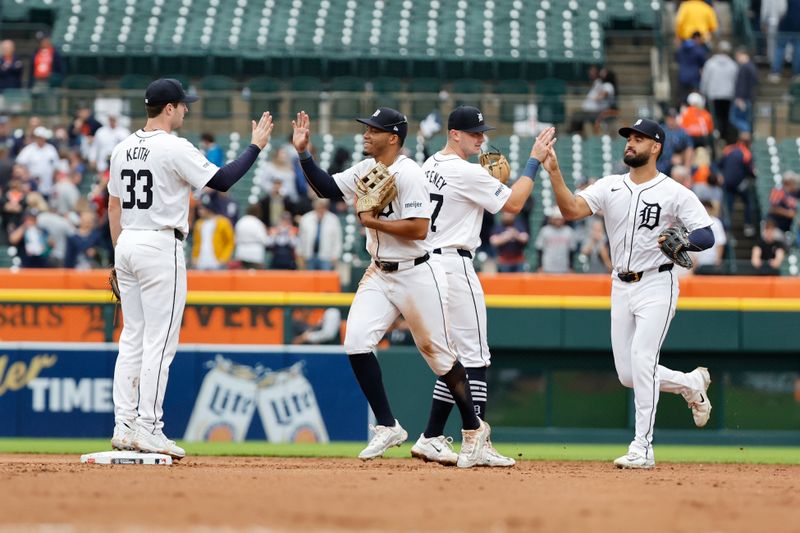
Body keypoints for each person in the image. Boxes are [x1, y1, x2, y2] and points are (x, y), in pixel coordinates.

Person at [292, 107, 491, 467]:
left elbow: (418, 229)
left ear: (393, 137)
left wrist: (372, 222)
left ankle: (474, 430)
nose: (366, 134)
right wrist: (304, 153)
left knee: (440, 356)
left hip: (417, 272)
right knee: (355, 341)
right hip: (380, 272)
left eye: (374, 130)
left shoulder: (410, 173)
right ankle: (387, 426)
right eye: (366, 128)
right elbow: (324, 187)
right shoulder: (367, 169)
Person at [107, 78, 273, 459]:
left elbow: (113, 207)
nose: (186, 109)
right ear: (168, 108)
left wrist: (118, 256)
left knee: (132, 337)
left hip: (128, 241)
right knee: (159, 342)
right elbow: (223, 181)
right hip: (160, 243)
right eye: (183, 105)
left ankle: (124, 424)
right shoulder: (173, 147)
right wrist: (255, 146)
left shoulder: (122, 148)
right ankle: (148, 427)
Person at [543, 118, 714, 469]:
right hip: (620, 284)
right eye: (629, 138)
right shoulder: (610, 186)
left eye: (639, 138)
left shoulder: (675, 192)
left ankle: (643, 447)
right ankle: (689, 383)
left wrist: (687, 241)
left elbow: (706, 235)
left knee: (642, 360)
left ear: (656, 147)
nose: (631, 143)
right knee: (628, 374)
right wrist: (554, 172)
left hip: (657, 282)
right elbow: (571, 210)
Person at [414, 106, 555, 467]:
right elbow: (514, 204)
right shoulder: (465, 171)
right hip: (454, 264)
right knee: (476, 357)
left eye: (482, 132)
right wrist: (533, 162)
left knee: (453, 358)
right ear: (454, 134)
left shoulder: (430, 164)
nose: (481, 138)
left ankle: (431, 436)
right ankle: (476, 439)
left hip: (428, 265)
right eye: (474, 133)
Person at [699, 40, 738, 144]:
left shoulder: (710, 63)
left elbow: (705, 80)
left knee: (713, 118)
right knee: (725, 118)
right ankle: (724, 138)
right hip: (728, 95)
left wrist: (703, 93)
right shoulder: (732, 65)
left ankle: (715, 136)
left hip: (713, 95)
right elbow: (735, 81)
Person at [297, 197, 342, 270]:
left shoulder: (333, 219)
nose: (321, 208)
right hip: (308, 256)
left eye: (323, 206)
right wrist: (300, 254)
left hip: (326, 257)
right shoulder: (306, 218)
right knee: (309, 280)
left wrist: (335, 255)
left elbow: (337, 239)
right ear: (315, 206)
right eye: (319, 206)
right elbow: (301, 238)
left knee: (325, 280)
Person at [675, 32, 708, 105]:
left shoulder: (681, 48)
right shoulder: (699, 49)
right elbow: (703, 64)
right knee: (695, 100)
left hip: (682, 77)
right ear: (697, 38)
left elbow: (677, 58)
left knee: (683, 101)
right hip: (694, 78)